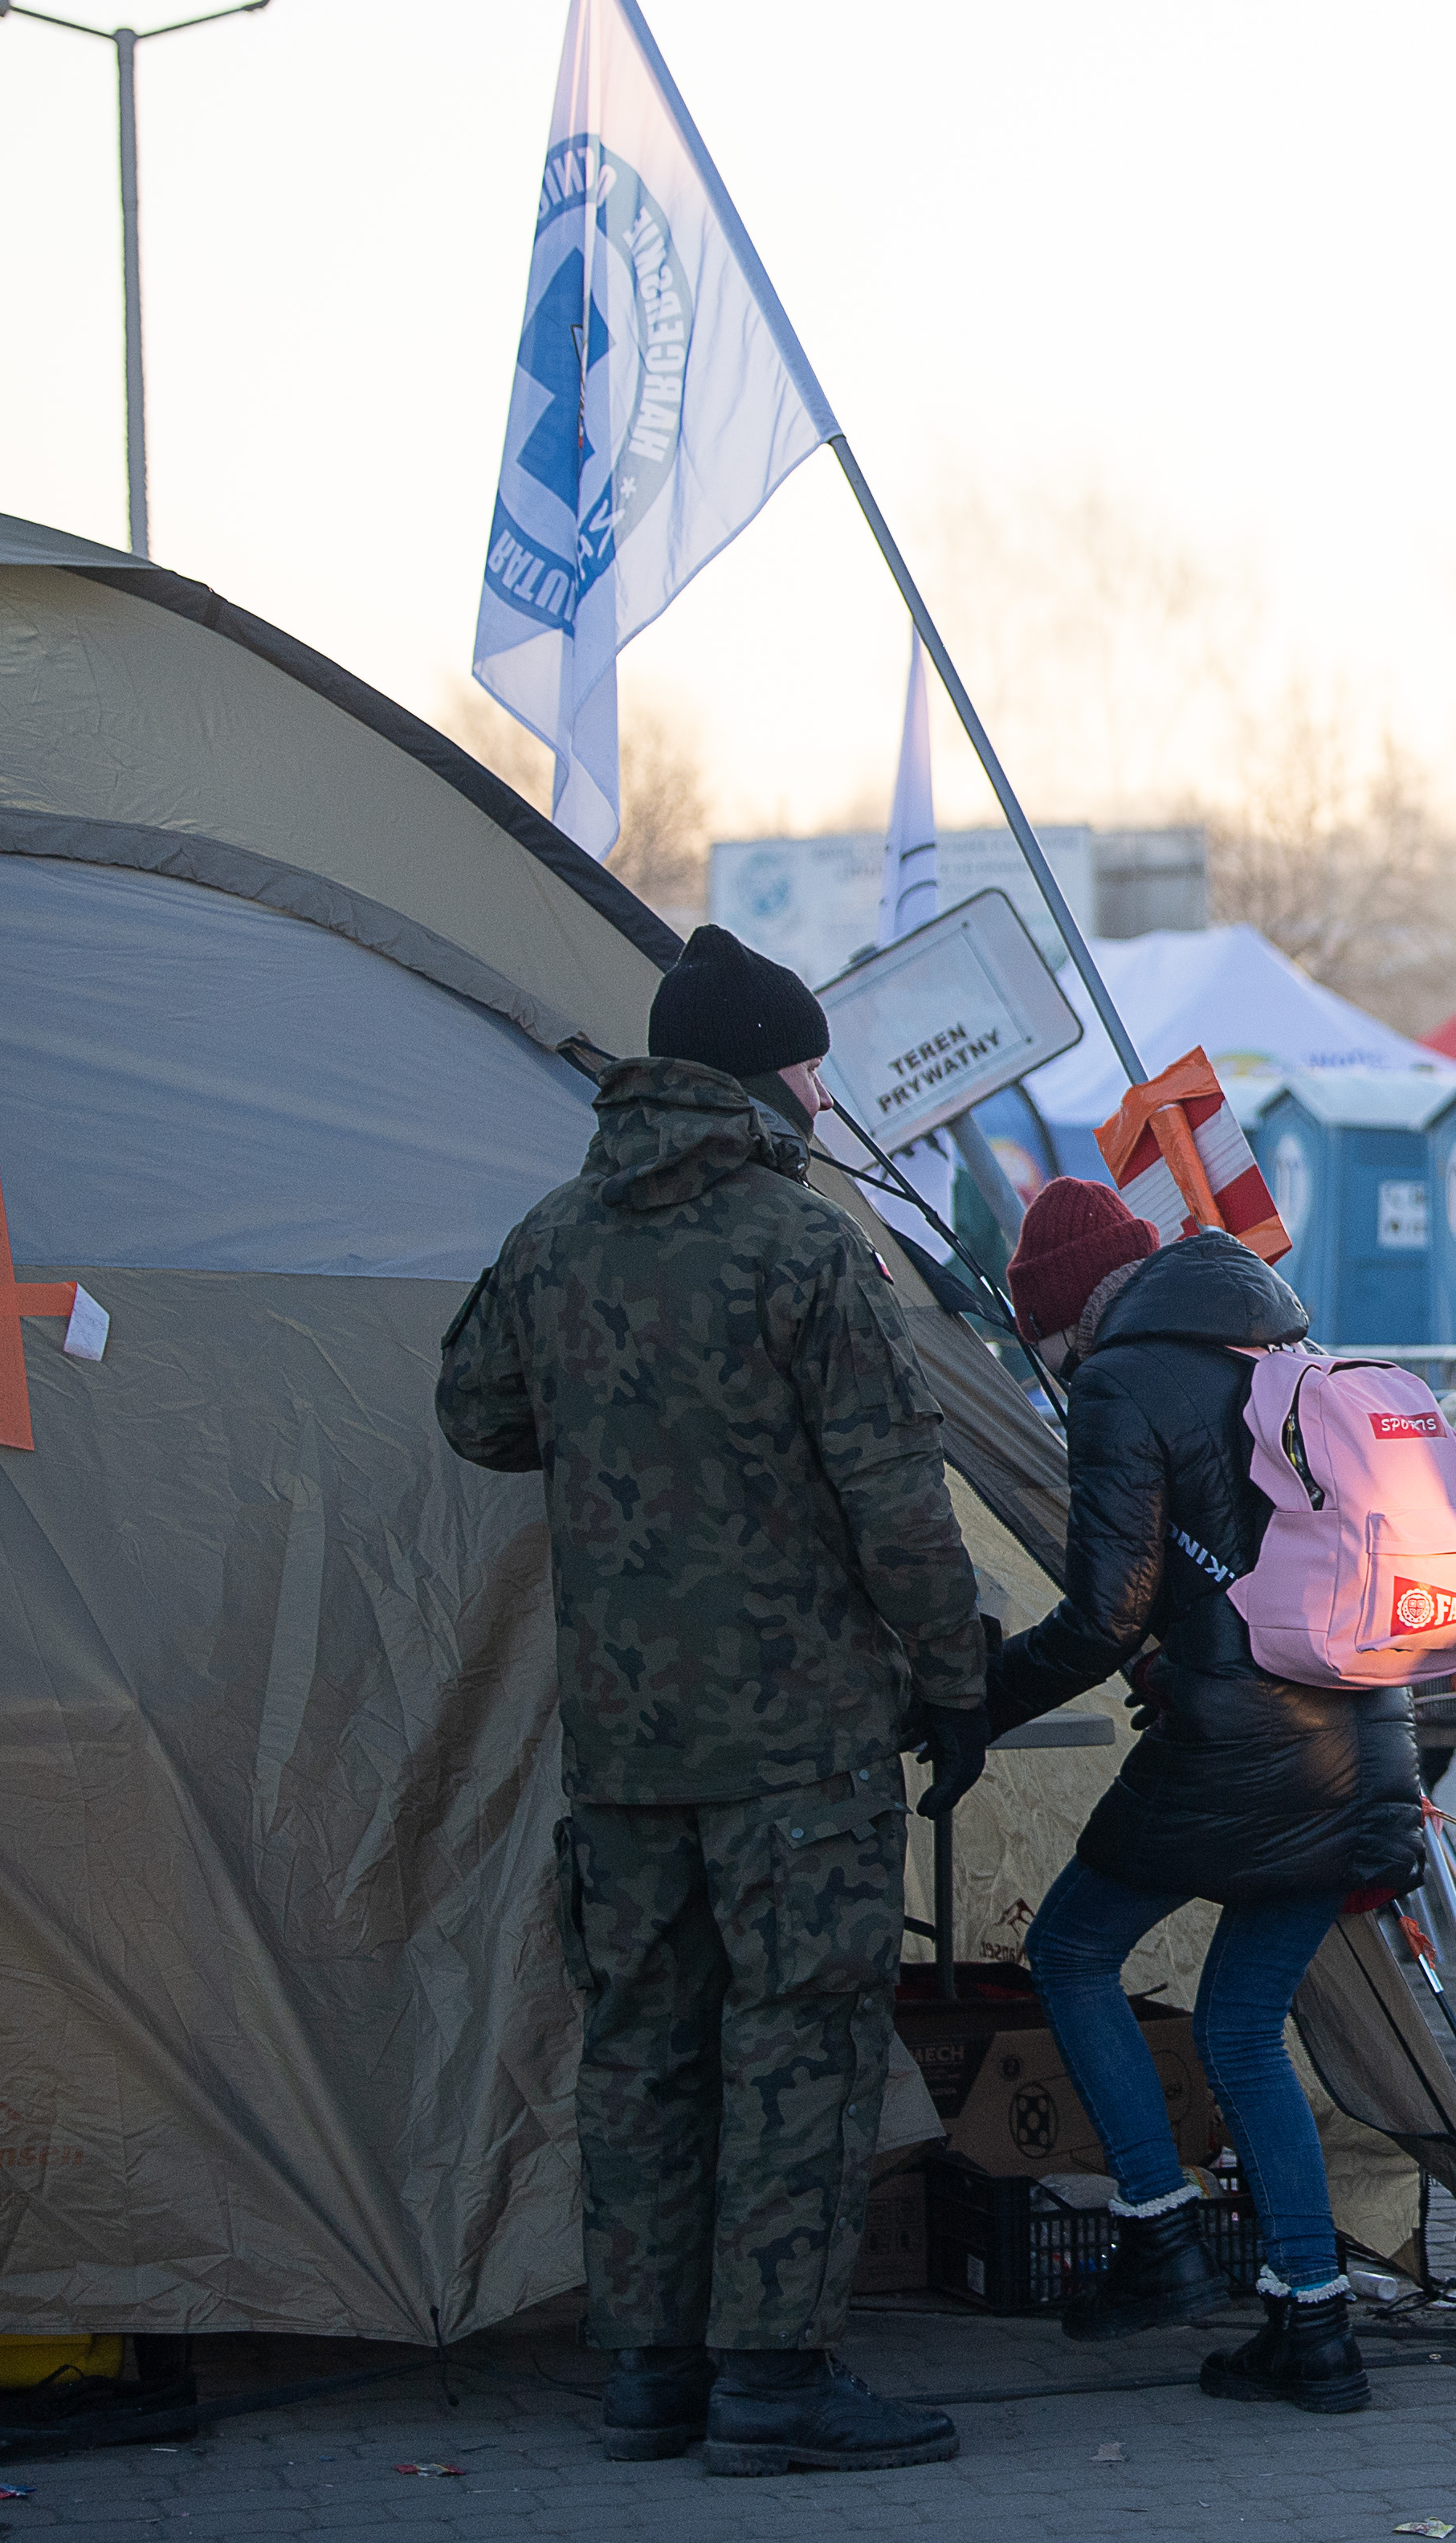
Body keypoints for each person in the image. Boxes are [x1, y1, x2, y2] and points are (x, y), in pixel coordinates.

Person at [436, 926, 990, 2476]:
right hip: (798, 1747)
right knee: (795, 2056)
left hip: (623, 1746)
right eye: (812, 1064)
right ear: (768, 1077)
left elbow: (475, 1409)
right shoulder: (803, 1245)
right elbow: (897, 1501)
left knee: (643, 2052)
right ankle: (772, 2384)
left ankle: (650, 2377)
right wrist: (956, 1678)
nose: (823, 1092)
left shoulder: (558, 1236)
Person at [981, 1177, 1423, 2409]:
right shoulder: (1290, 1347)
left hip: (1241, 1752)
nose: (1062, 1376)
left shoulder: (1126, 1380)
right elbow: (1264, 1570)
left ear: (1068, 1324)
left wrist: (973, 1700)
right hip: (1365, 1743)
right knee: (1239, 2026)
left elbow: (1101, 1612)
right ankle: (1315, 2331)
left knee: (1071, 1951)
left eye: (1050, 1353)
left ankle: (1159, 2229)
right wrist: (1189, 1656)